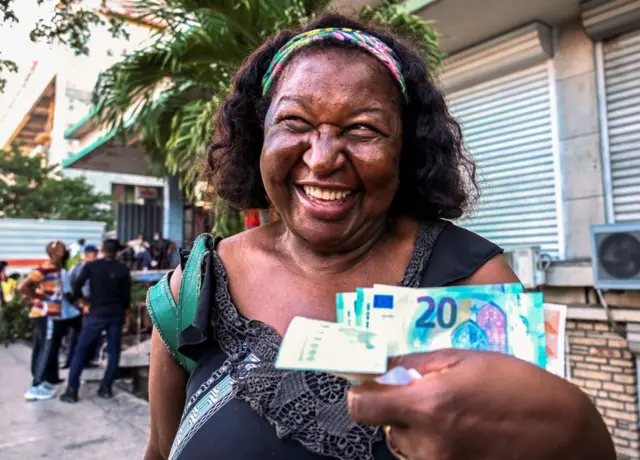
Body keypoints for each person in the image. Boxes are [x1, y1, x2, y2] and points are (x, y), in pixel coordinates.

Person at [144, 15, 615, 460]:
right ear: (258, 137)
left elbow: (537, 439)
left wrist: (578, 429)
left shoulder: (472, 279)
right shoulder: (195, 289)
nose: (324, 158)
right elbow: (161, 450)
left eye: (363, 129)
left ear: (405, 149)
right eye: (295, 123)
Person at [60, 239, 131, 402]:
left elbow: (76, 287)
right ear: (117, 252)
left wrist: (84, 302)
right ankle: (106, 387)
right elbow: (127, 297)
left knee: (81, 350)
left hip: (95, 314)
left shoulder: (91, 267)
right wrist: (126, 315)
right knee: (114, 352)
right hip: (116, 314)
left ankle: (72, 389)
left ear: (102, 250)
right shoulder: (123, 269)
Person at [18, 241, 80, 401]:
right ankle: (36, 386)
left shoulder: (58, 268)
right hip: (48, 315)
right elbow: (23, 287)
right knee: (45, 348)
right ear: (55, 253)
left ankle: (46, 380)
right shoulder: (46, 268)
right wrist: (38, 298)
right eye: (61, 249)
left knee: (47, 347)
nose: (64, 251)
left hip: (53, 314)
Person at [63, 244, 100, 369]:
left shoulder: (98, 269)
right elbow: (71, 286)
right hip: (79, 302)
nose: (95, 257)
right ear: (87, 255)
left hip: (94, 303)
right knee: (75, 333)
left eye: (96, 255)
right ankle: (70, 360)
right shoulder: (77, 268)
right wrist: (79, 302)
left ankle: (88, 359)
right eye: (93, 255)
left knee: (92, 333)